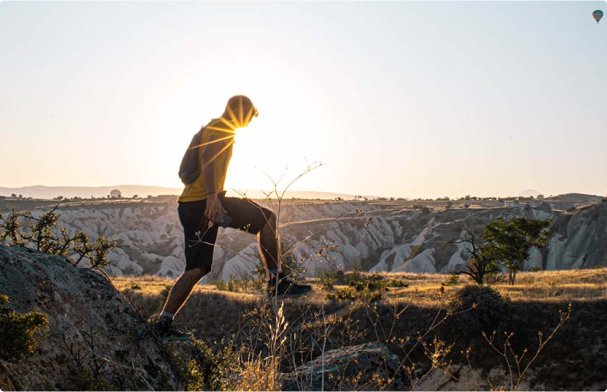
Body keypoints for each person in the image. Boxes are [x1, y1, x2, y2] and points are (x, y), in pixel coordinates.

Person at [156, 95, 312, 342]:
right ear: (240, 112)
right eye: (249, 117)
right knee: (266, 219)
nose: (249, 122)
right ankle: (277, 282)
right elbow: (207, 157)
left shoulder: (212, 126)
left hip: (197, 203)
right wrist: (211, 196)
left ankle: (163, 323)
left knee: (198, 268)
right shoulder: (221, 128)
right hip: (201, 203)